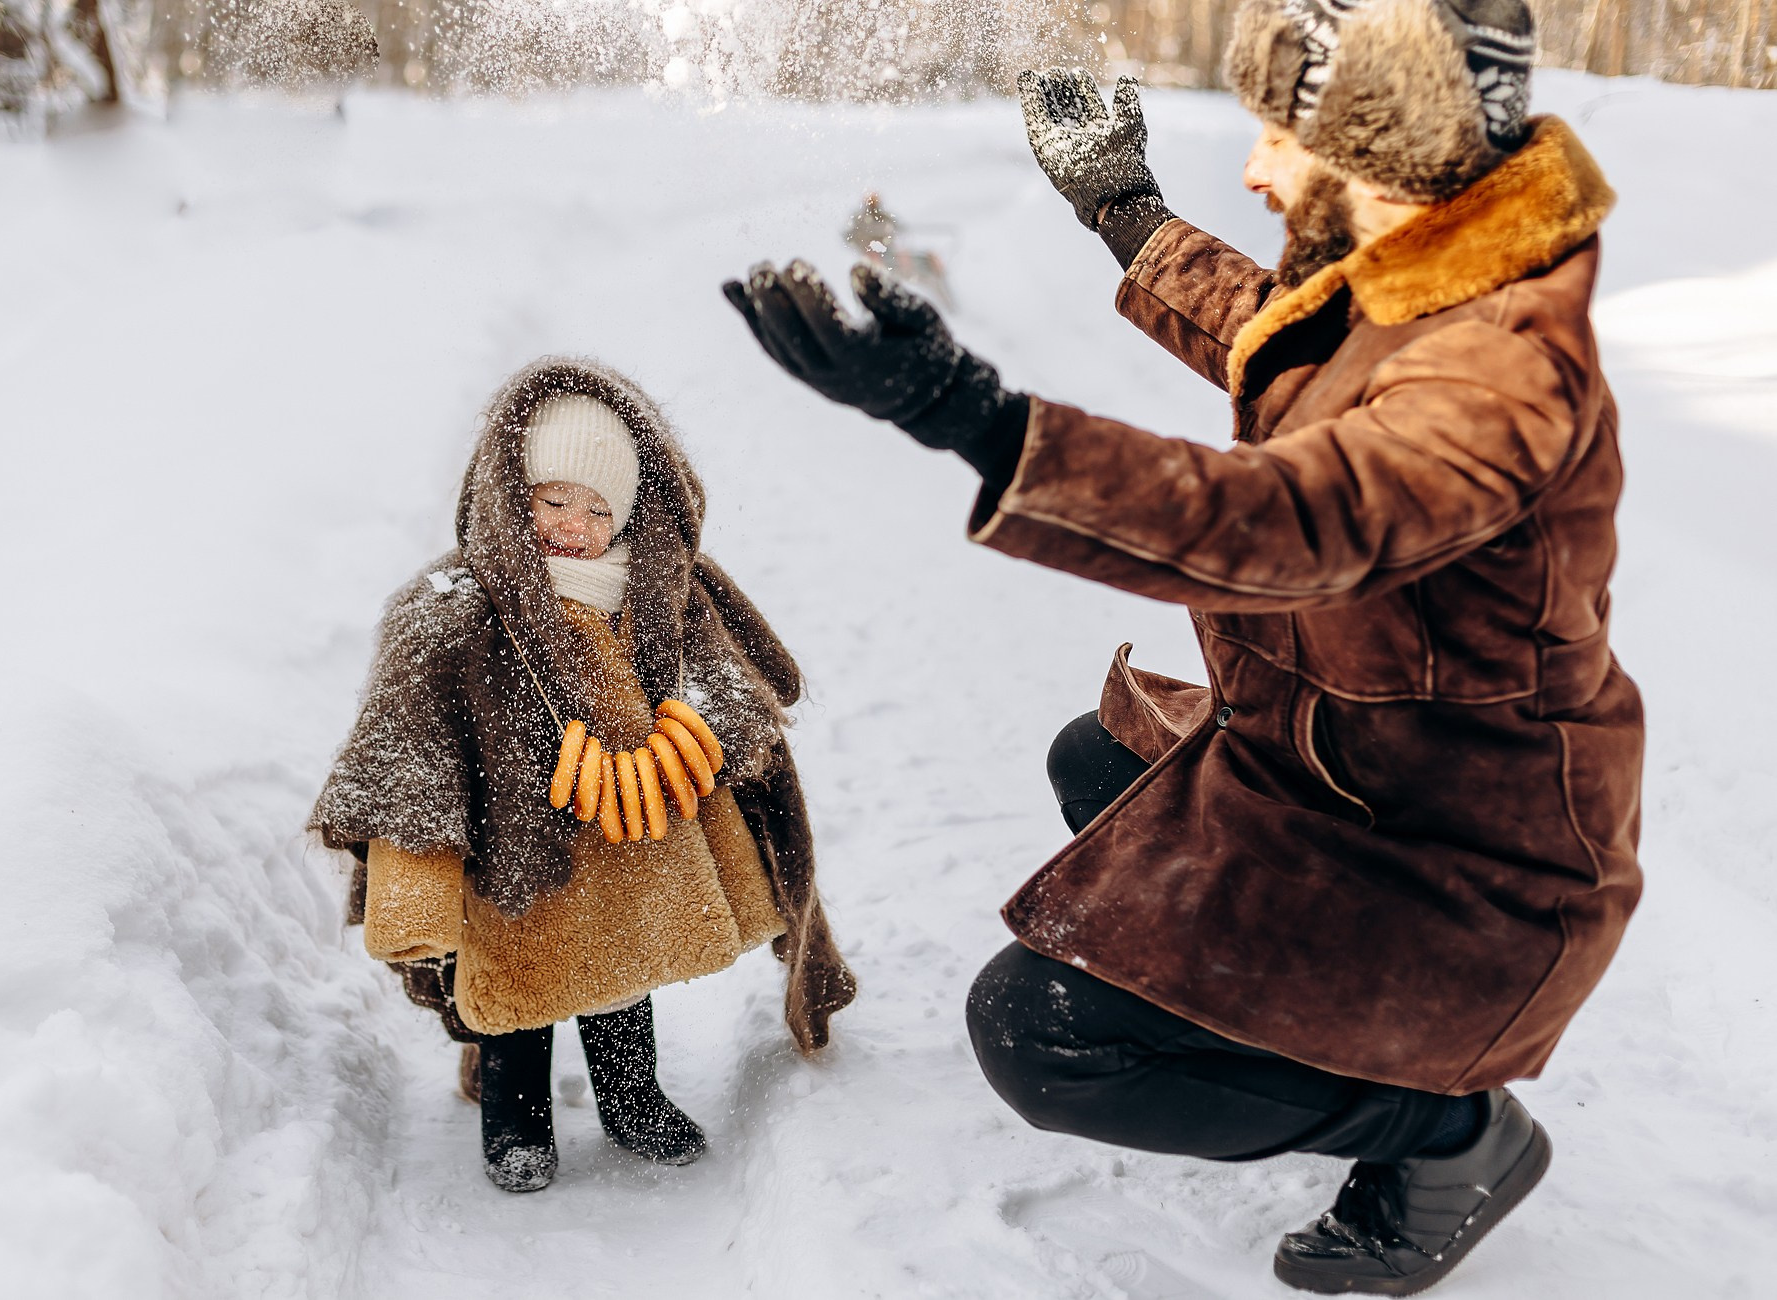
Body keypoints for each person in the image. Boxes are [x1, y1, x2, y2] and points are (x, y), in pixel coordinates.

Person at [723, 0, 1640, 1291]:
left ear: (1384, 135)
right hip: (1349, 782)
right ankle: (1336, 1047)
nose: (1259, 167)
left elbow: (1294, 518)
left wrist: (981, 424)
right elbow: (1278, 336)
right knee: (1096, 769)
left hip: (1462, 871)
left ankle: (1446, 1131)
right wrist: (1121, 209)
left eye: (1281, 132)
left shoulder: (1497, 379)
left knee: (1040, 1036)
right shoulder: (1425, 287)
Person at [309, 357, 856, 1193]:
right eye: (552, 499)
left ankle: (633, 1100)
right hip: (516, 860)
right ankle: (516, 1122)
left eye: (599, 508)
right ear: (511, 495)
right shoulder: (454, 612)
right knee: (518, 998)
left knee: (619, 979)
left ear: (632, 513)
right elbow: (408, 765)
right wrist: (412, 896)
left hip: (633, 844)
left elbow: (726, 699)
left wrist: (729, 755)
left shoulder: (661, 595)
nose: (574, 523)